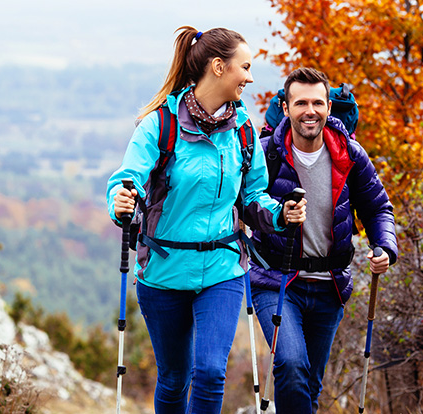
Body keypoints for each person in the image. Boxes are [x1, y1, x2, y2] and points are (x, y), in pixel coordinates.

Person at [107, 26, 297, 414]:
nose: (249, 76)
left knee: (210, 372)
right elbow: (128, 179)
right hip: (163, 271)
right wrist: (122, 200)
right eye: (244, 66)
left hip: (223, 268)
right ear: (217, 67)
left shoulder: (243, 130)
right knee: (175, 378)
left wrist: (281, 214)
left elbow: (253, 198)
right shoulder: (161, 126)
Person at [247, 67, 398, 413]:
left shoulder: (350, 154)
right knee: (292, 365)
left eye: (318, 102)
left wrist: (385, 247)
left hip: (330, 285)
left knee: (310, 385)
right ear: (285, 108)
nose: (310, 111)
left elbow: (378, 208)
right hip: (277, 281)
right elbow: (245, 204)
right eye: (301, 103)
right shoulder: (266, 153)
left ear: (329, 107)